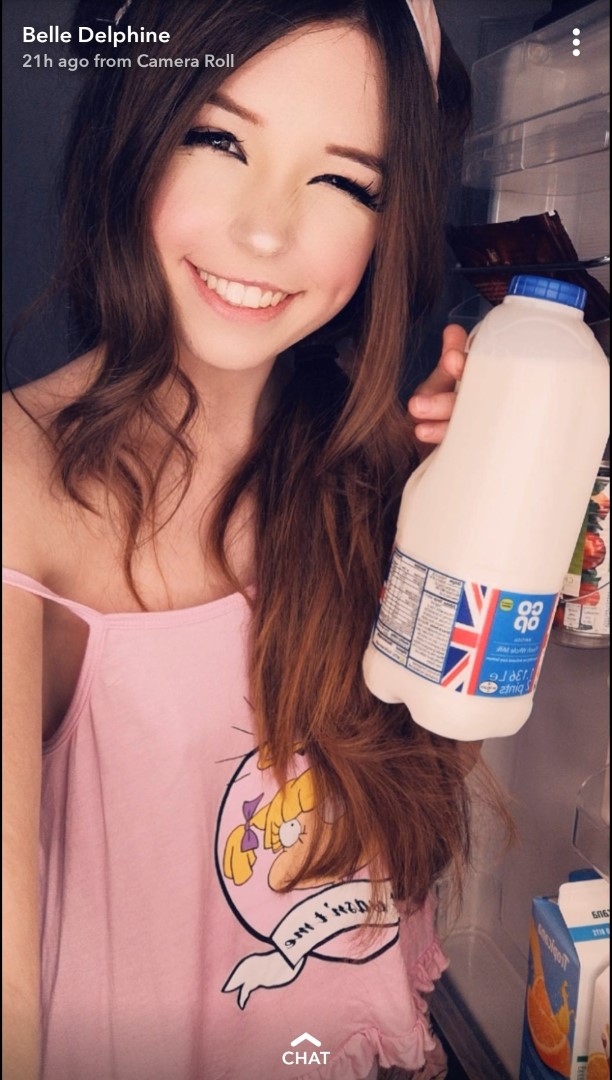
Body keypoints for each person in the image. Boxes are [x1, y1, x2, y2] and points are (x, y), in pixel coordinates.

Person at [2, 1, 492, 1078]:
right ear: (135, 128)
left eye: (343, 181)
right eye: (219, 139)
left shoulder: (368, 468)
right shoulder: (18, 486)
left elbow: (423, 791)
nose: (266, 231)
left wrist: (477, 511)